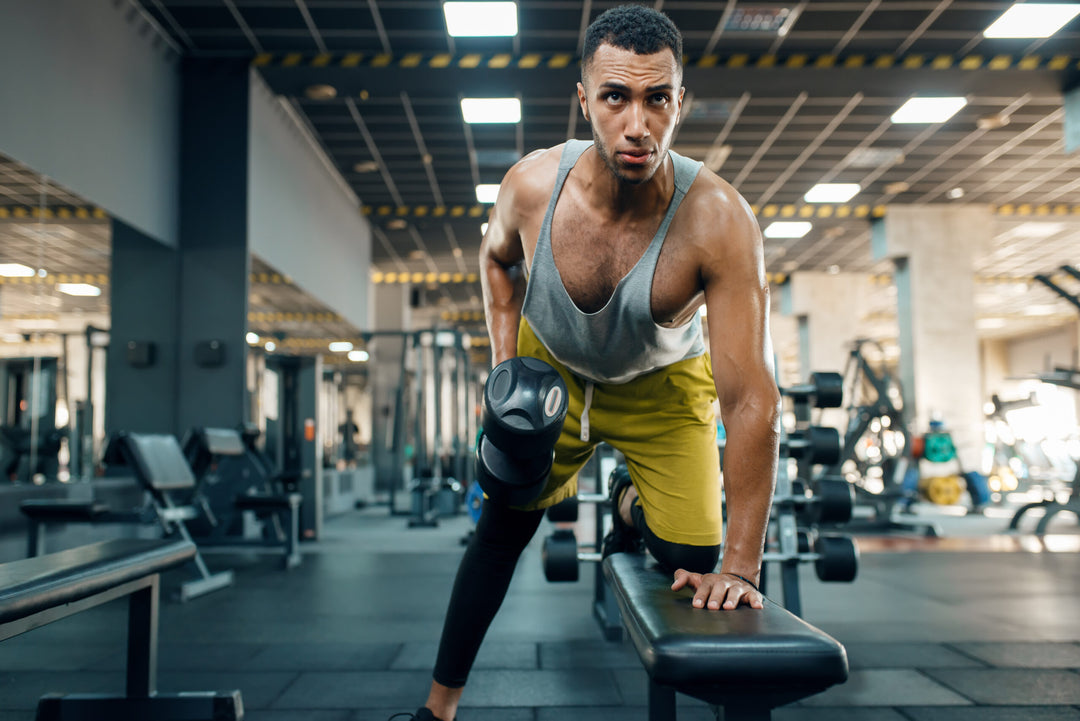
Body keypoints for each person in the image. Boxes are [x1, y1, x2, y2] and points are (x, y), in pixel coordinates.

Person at [396, 6, 780, 720]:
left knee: (689, 555)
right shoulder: (534, 186)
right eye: (616, 97)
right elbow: (495, 260)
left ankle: (630, 508)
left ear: (679, 103)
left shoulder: (720, 220)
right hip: (554, 368)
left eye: (656, 98)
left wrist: (741, 562)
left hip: (663, 386)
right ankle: (437, 709)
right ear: (584, 100)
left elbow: (752, 399)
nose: (637, 123)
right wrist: (510, 372)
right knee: (503, 526)